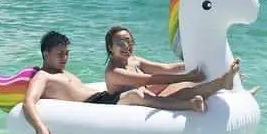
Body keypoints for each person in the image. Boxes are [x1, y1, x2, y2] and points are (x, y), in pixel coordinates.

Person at [22, 31, 240, 134]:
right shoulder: (43, 76)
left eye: (67, 53)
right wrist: (40, 128)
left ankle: (220, 83)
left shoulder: (63, 73)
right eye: (60, 53)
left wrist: (200, 63)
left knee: (169, 87)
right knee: (137, 94)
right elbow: (28, 103)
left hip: (103, 97)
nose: (65, 57)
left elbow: (163, 69)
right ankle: (187, 105)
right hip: (95, 105)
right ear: (45, 54)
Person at [104, 25, 243, 101]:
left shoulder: (134, 60)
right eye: (119, 43)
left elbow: (166, 68)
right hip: (134, 105)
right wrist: (188, 76)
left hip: (146, 94)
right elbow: (150, 79)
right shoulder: (114, 72)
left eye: (128, 41)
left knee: (186, 84)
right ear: (110, 47)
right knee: (184, 90)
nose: (126, 46)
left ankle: (226, 82)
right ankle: (221, 83)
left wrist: (193, 62)